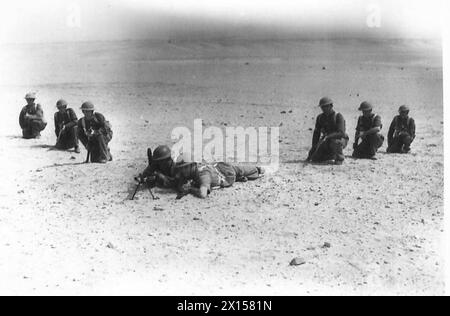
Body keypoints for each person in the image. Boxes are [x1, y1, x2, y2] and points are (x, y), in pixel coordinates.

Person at [140, 146, 264, 199]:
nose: (180, 172)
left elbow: (203, 193)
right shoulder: (188, 171)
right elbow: (176, 179)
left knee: (239, 171)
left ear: (190, 167)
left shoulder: (203, 175)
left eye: (183, 169)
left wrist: (190, 190)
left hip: (225, 173)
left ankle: (258, 169)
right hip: (213, 167)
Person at [307, 97, 349, 165]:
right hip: (326, 139)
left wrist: (329, 136)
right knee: (315, 158)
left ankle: (339, 158)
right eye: (322, 107)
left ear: (331, 106)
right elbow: (316, 133)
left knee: (336, 142)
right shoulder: (320, 117)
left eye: (326, 106)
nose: (324, 108)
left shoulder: (338, 116)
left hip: (339, 139)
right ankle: (331, 155)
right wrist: (314, 147)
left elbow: (341, 133)